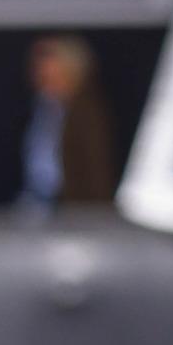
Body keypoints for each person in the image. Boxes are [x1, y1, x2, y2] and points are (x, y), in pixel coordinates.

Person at [20, 36, 115, 215]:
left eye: (52, 72)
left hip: (75, 209)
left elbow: (96, 170)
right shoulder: (43, 108)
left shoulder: (85, 113)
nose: (42, 75)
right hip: (41, 202)